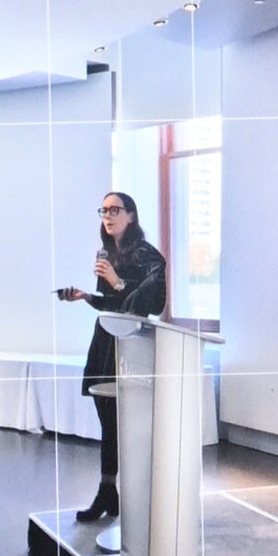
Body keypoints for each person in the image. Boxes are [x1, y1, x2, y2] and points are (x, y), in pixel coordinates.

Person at [58, 186, 168, 527]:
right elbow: (111, 304)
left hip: (130, 346)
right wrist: (84, 296)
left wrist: (117, 282)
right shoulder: (107, 254)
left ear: (130, 216)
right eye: (104, 210)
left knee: (123, 423)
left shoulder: (148, 256)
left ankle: (124, 495)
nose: (108, 216)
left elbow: (153, 304)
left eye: (115, 210)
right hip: (105, 341)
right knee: (108, 421)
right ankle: (108, 491)